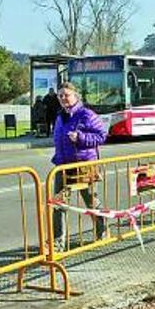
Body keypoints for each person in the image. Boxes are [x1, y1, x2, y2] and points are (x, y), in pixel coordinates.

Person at [51, 82, 107, 249]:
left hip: (83, 165)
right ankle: (58, 241)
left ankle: (102, 231)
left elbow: (101, 136)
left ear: (75, 96)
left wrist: (81, 138)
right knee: (58, 204)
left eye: (66, 95)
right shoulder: (60, 116)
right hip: (62, 165)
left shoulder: (86, 114)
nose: (63, 98)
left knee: (90, 200)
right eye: (60, 95)